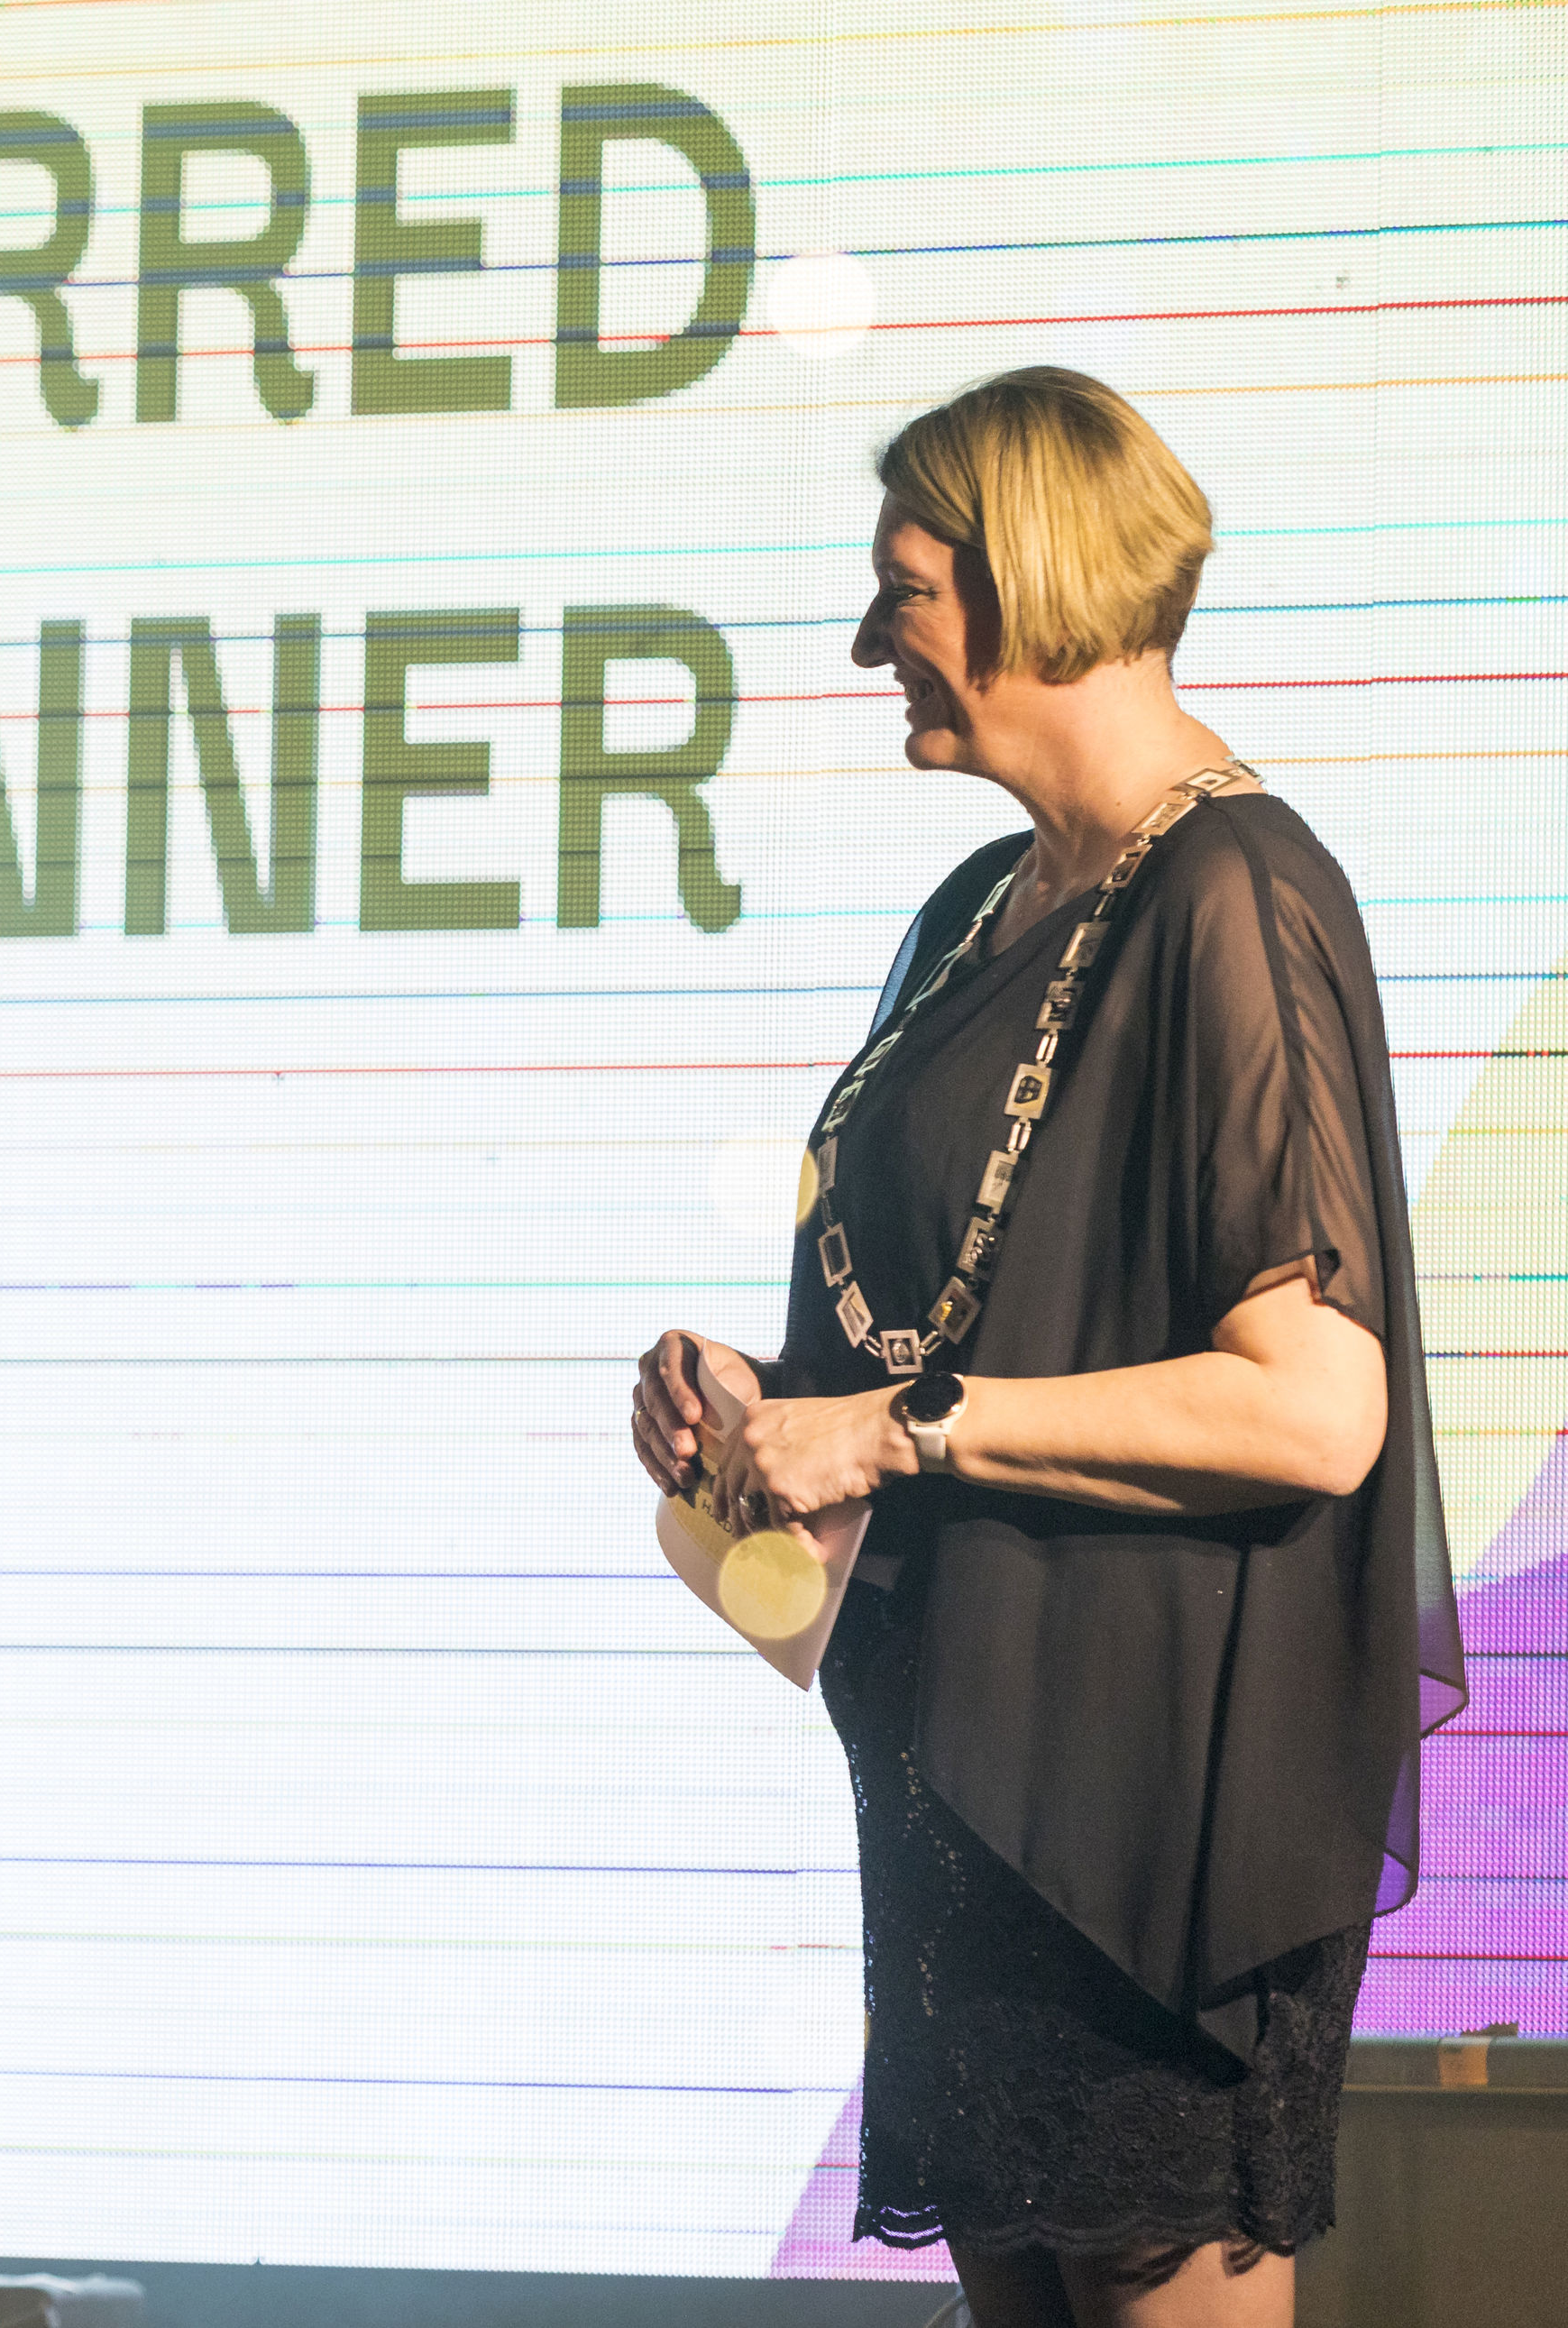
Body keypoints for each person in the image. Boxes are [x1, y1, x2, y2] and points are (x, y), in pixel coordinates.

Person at [628, 370, 1461, 2328]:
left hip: (1147, 1830)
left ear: (1040, 578)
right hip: (968, 1798)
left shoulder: (1237, 894)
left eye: (905, 591)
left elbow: (1316, 1402)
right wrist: (767, 1416)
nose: (871, 643)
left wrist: (894, 1432)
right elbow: (961, 1320)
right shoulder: (973, 913)